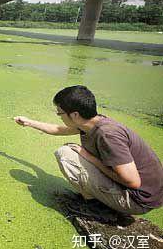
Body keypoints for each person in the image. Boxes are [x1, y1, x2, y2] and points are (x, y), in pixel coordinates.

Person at [13, 85, 163, 215]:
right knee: (72, 152)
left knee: (65, 155)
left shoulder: (107, 135)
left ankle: (95, 205)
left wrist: (89, 158)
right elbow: (58, 129)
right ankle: (99, 197)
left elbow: (133, 182)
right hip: (144, 194)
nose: (58, 116)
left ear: (75, 115)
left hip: (137, 200)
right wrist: (28, 122)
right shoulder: (91, 122)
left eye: (59, 113)